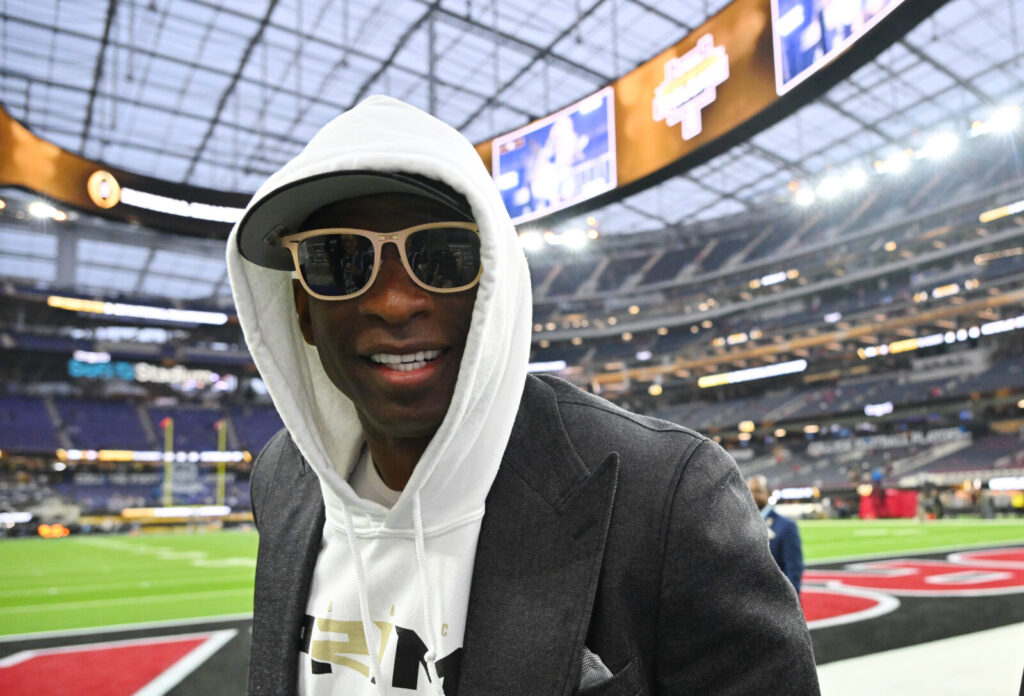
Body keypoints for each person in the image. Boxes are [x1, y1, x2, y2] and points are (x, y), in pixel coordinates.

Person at [228, 95, 819, 695]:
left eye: (442, 256)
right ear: (302, 309)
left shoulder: (666, 497)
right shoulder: (282, 479)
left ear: (496, 284)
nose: (394, 301)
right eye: (339, 260)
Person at [747, 475, 805, 594]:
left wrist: (790, 606)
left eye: (757, 491)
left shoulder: (786, 526)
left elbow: (794, 571)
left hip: (775, 602)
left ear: (768, 493)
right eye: (749, 491)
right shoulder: (741, 525)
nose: (752, 495)